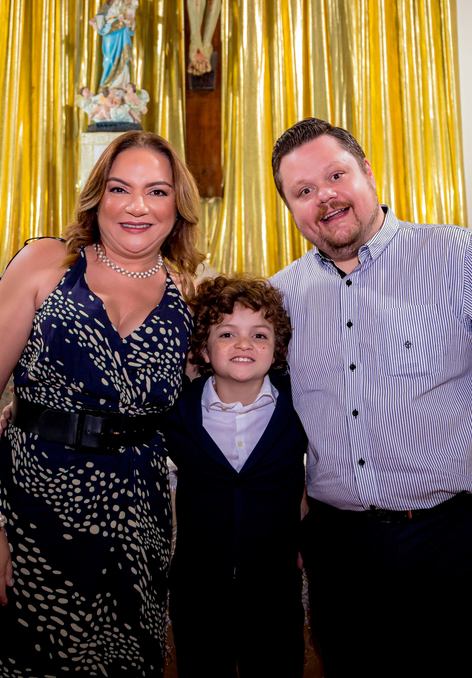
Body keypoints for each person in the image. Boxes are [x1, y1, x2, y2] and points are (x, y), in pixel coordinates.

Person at [269, 118, 472, 676]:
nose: (325, 197)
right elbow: (273, 420)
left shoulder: (457, 256)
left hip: (459, 541)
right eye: (303, 191)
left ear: (368, 174)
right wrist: (302, 517)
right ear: (291, 209)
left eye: (335, 175)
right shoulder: (281, 297)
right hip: (341, 550)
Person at [0, 130, 204, 677]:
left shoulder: (189, 292)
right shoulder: (47, 262)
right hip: (34, 513)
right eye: (121, 188)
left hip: (139, 518)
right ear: (98, 197)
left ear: (177, 206)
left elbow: (207, 402)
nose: (138, 206)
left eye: (157, 191)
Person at [162, 276, 307, 678]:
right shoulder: (175, 413)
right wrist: (13, 418)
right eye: (227, 333)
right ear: (204, 350)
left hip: (275, 591)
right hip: (198, 591)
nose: (244, 344)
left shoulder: (301, 407)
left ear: (277, 348)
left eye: (259, 335)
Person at [89, 0, 135, 89]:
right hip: (109, 32)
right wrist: (94, 21)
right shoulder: (106, 5)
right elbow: (100, 17)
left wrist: (128, 22)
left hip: (121, 32)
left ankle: (119, 85)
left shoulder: (125, 2)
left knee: (121, 58)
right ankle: (107, 85)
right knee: (108, 58)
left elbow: (131, 17)